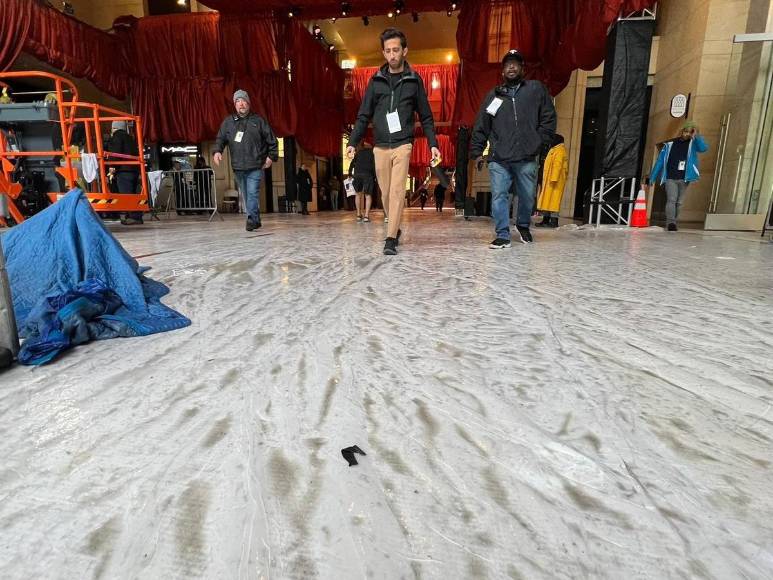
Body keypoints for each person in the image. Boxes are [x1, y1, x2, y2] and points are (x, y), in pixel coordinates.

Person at [346, 28, 441, 255]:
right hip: (380, 145)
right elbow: (363, 114)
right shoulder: (376, 81)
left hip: (403, 143)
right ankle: (395, 225)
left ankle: (390, 238)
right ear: (384, 53)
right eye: (388, 51)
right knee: (386, 192)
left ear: (404, 51)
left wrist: (433, 144)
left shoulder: (413, 81)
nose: (392, 55)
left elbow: (426, 116)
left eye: (396, 50)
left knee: (398, 190)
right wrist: (352, 141)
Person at [471, 49, 557, 248]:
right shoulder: (493, 96)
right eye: (507, 64)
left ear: (522, 68)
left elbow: (548, 117)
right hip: (499, 157)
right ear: (502, 71)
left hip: (526, 156)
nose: (511, 67)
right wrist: (477, 152)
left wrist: (540, 141)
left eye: (515, 64)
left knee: (527, 196)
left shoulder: (536, 90)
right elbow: (481, 125)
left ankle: (523, 225)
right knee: (499, 195)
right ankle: (502, 233)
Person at [213, 89, 278, 231]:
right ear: (234, 105)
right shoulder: (228, 122)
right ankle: (255, 219)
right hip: (238, 167)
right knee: (247, 195)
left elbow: (272, 140)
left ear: (248, 103)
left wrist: (271, 157)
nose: (241, 104)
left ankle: (251, 219)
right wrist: (217, 151)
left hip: (255, 165)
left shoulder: (258, 121)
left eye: (243, 101)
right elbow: (220, 138)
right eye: (237, 101)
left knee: (252, 193)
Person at [648, 120, 708, 232]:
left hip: (685, 178)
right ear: (682, 131)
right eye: (686, 131)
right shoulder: (670, 145)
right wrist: (652, 177)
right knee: (671, 199)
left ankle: (674, 221)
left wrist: (697, 136)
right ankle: (671, 222)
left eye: (690, 132)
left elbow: (703, 148)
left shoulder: (693, 144)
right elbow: (660, 161)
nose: (687, 134)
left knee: (679, 202)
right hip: (670, 177)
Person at [105, 121, 144, 225]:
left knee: (127, 195)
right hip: (134, 170)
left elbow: (115, 153)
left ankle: (134, 217)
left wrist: (112, 167)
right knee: (134, 194)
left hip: (124, 170)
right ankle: (136, 216)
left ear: (114, 128)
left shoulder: (117, 137)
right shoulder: (130, 137)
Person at [535, 134, 568, 228]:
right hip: (549, 180)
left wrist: (554, 178)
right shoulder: (554, 149)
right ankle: (545, 220)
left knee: (554, 201)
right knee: (547, 200)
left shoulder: (560, 150)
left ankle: (553, 221)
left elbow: (557, 165)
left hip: (555, 181)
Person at [351, 143, 376, 222]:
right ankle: (366, 216)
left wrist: (349, 174)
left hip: (357, 174)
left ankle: (358, 215)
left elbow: (352, 164)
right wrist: (374, 176)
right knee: (368, 195)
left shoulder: (358, 153)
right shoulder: (372, 153)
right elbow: (374, 166)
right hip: (367, 175)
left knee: (358, 194)